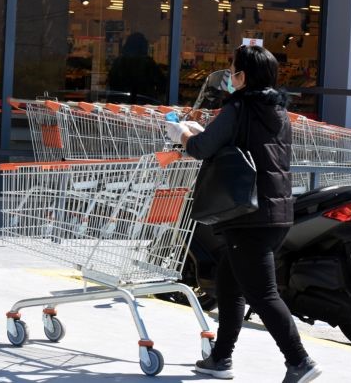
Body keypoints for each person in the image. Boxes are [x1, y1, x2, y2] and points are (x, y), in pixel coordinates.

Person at [165, 45, 322, 382]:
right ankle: (220, 358)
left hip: (247, 214)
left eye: (233, 70)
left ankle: (300, 361)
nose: (230, 77)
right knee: (229, 284)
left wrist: (181, 133)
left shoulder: (239, 106)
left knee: (262, 294)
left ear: (243, 76)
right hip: (276, 211)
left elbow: (203, 148)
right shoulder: (278, 111)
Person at [107, 32, 166, 104]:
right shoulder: (147, 62)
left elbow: (111, 81)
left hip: (120, 102)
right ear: (143, 45)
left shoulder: (119, 61)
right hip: (143, 103)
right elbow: (162, 83)